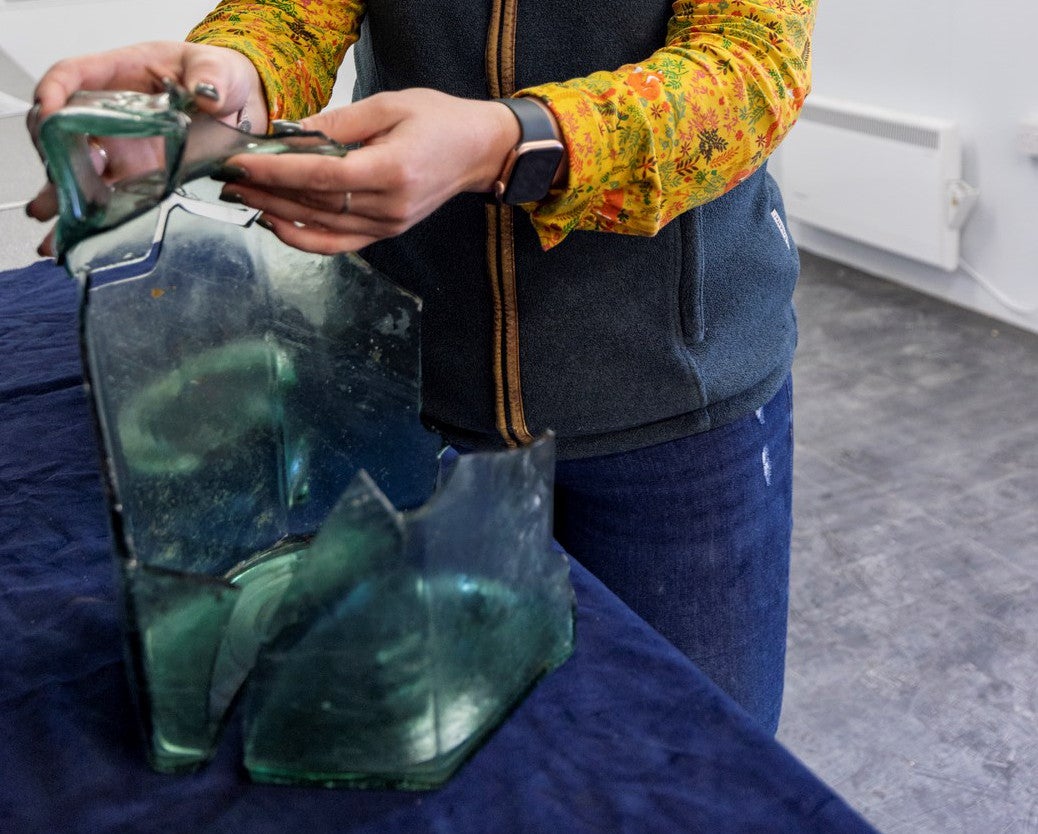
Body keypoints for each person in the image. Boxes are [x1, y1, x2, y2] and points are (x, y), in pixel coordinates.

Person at [28, 0, 816, 734]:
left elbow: (752, 65)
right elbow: (292, 13)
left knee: (693, 747)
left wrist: (519, 144)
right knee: (455, 741)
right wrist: (225, 84)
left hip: (678, 408)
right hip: (421, 381)